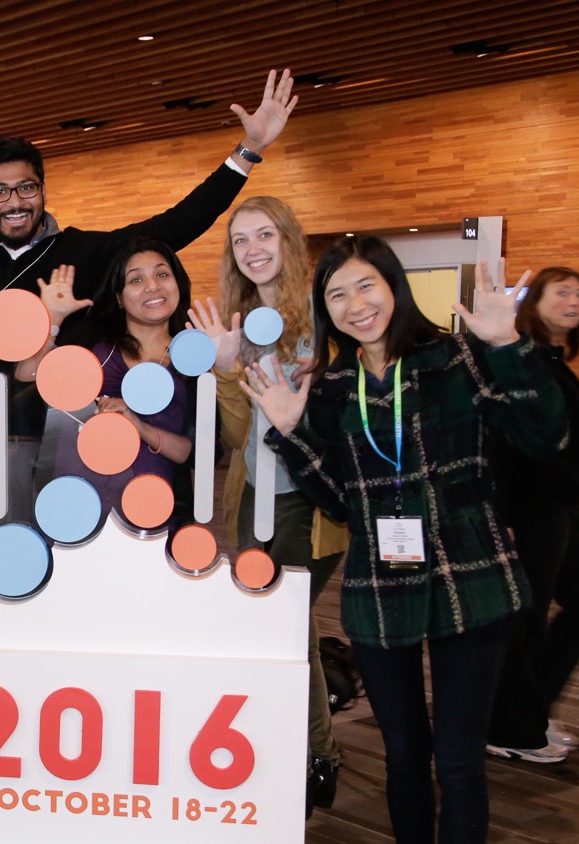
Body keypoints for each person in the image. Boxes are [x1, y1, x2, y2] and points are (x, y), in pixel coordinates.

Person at [0, 25, 297, 548]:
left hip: (32, 447)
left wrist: (247, 151)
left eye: (26, 187)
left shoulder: (82, 253)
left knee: (18, 570)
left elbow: (178, 224)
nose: (14, 201)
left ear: (42, 190)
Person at [243, 237, 566, 844]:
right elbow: (338, 501)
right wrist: (290, 431)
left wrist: (509, 345)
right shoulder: (333, 386)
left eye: (367, 285)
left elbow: (545, 437)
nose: (355, 305)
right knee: (404, 754)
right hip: (378, 582)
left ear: (394, 286)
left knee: (460, 761)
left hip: (469, 573)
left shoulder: (456, 359)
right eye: (337, 295)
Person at [194, 195, 347, 815]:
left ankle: (312, 757)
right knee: (283, 628)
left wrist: (317, 384)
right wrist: (225, 369)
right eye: (240, 240)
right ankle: (307, 755)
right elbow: (237, 435)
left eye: (265, 235)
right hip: (254, 498)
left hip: (311, 503)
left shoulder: (324, 316)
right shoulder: (239, 324)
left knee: (281, 625)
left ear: (289, 239)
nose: (253, 249)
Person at [487, 266, 579, 763]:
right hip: (531, 507)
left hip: (562, 505)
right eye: (562, 292)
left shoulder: (556, 363)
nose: (574, 301)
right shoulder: (526, 361)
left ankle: (526, 713)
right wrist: (502, 513)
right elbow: (505, 442)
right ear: (534, 302)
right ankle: (510, 728)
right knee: (527, 620)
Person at [20, 243, 194, 524]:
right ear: (119, 298)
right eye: (136, 280)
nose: (152, 286)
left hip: (150, 510)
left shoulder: (193, 357)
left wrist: (139, 426)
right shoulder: (90, 341)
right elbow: (26, 374)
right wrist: (53, 318)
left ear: (178, 284)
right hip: (74, 505)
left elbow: (190, 452)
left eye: (162, 274)